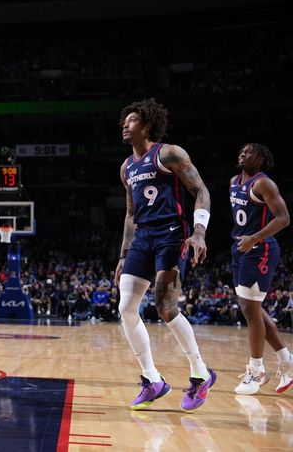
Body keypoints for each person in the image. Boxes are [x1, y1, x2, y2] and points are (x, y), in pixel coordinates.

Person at [115, 98, 216, 412]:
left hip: (172, 232)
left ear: (145, 125)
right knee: (126, 306)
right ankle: (152, 379)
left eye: (130, 121)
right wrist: (122, 256)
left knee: (165, 305)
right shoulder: (126, 167)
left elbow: (200, 191)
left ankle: (201, 373)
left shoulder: (169, 153)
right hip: (142, 237)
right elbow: (130, 214)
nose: (124, 125)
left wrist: (199, 232)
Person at [229, 143, 292, 394]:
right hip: (241, 247)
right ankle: (287, 360)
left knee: (249, 308)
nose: (243, 153)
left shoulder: (264, 183)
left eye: (250, 152)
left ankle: (256, 371)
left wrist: (254, 238)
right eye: (241, 150)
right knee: (253, 308)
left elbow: (283, 218)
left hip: (261, 249)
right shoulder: (234, 180)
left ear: (261, 159)